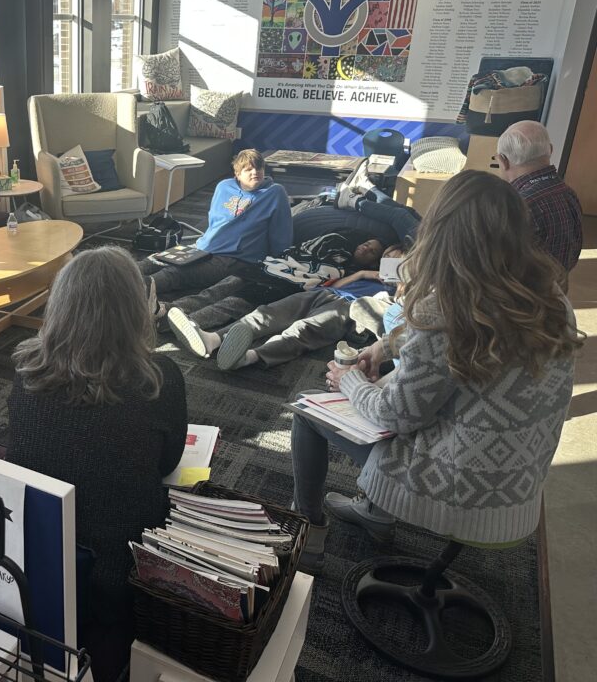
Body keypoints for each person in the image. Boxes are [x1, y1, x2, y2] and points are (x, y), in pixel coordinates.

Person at [291, 171, 581, 574]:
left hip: (460, 488)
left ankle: (306, 530)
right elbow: (458, 344)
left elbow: (399, 415)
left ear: (442, 229)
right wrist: (385, 345)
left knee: (309, 414)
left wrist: (351, 381)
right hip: (518, 487)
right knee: (407, 385)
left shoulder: (447, 308)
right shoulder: (550, 297)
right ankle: (374, 513)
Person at [6, 247, 187, 680]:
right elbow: (169, 462)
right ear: (136, 309)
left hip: (37, 568)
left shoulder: (26, 369)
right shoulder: (157, 378)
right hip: (119, 577)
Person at [168, 244, 404, 370]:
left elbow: (395, 313)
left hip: (350, 309)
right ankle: (213, 339)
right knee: (266, 313)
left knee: (303, 329)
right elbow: (338, 284)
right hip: (325, 293)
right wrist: (363, 273)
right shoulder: (363, 274)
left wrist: (402, 283)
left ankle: (250, 357)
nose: (388, 264)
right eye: (387, 258)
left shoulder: (402, 289)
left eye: (396, 260)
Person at [158, 229, 386, 333]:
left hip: (282, 285)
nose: (366, 248)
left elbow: (330, 288)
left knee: (230, 304)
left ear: (373, 262)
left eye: (372, 251)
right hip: (269, 267)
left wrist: (361, 274)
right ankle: (166, 311)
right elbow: (304, 250)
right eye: (367, 243)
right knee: (215, 291)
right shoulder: (336, 241)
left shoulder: (349, 271)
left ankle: (184, 326)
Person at [139, 149, 291, 304]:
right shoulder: (224, 187)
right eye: (248, 169)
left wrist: (277, 263)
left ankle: (130, 290)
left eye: (259, 168)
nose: (255, 172)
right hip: (204, 246)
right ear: (237, 174)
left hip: (235, 258)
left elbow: (281, 234)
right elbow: (214, 221)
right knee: (155, 260)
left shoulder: (274, 193)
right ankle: (115, 275)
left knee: (175, 273)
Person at [497, 120, 582, 273]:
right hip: (554, 287)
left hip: (519, 292)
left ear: (503, 161)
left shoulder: (516, 205)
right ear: (550, 150)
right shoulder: (568, 193)